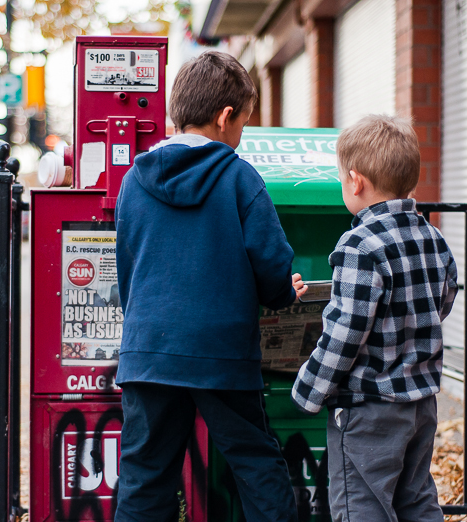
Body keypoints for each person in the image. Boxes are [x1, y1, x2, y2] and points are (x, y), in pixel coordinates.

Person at [114, 51, 307, 522]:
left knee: (145, 473)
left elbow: (127, 269)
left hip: (150, 350)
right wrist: (283, 291)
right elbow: (270, 261)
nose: (241, 135)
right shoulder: (239, 177)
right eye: (243, 122)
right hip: (220, 352)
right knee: (255, 463)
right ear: (225, 118)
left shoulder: (132, 183)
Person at [291, 114, 458, 522]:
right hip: (421, 404)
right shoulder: (431, 236)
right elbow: (446, 295)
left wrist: (307, 389)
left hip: (369, 408)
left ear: (356, 180)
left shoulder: (359, 245)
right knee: (417, 500)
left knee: (362, 505)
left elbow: (345, 331)